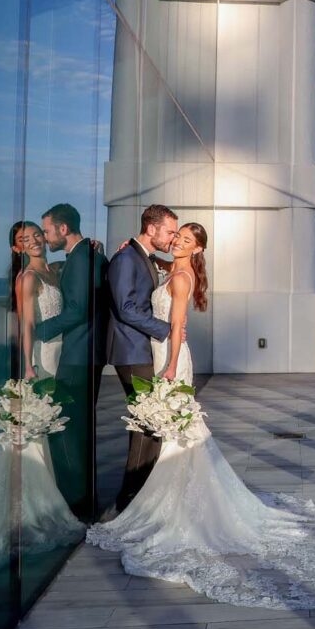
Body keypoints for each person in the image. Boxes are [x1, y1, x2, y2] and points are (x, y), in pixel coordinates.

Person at [88, 222, 315, 610]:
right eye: (176, 237)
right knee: (174, 432)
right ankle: (158, 498)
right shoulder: (173, 269)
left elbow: (176, 327)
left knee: (175, 433)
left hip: (169, 358)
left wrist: (172, 366)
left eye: (186, 240)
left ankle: (173, 507)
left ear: (198, 249)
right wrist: (143, 251)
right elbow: (159, 282)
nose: (177, 242)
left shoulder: (180, 277)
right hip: (163, 353)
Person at [36, 203, 110, 520]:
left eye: (48, 231)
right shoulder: (88, 255)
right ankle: (84, 500)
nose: (46, 237)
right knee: (79, 429)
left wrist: (39, 329)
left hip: (78, 355)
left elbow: (77, 310)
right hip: (87, 353)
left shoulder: (81, 258)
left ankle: (76, 505)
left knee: (68, 430)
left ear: (63, 229)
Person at [106, 204, 177, 512]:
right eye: (170, 232)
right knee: (144, 423)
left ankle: (140, 494)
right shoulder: (125, 258)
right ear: (152, 229)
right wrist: (167, 329)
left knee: (149, 423)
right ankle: (128, 500)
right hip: (131, 351)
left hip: (140, 349)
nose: (173, 238)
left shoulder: (140, 256)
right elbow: (125, 309)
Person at [8, 220, 62, 378]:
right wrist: (28, 366)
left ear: (45, 237)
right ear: (17, 249)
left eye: (36, 235)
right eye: (24, 240)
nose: (33, 241)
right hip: (45, 354)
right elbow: (27, 324)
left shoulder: (56, 269)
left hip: (63, 349)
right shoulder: (29, 277)